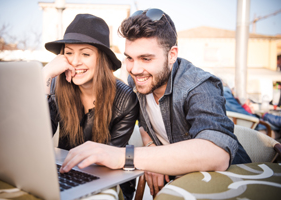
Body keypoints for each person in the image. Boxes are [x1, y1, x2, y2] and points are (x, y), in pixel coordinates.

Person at [59, 9, 251, 198]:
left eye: (146, 58)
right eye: (129, 58)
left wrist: (124, 157)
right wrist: (154, 154)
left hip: (233, 184)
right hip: (182, 185)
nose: (135, 69)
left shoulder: (199, 86)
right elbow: (144, 123)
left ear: (172, 54)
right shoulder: (140, 80)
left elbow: (216, 154)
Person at [42, 14, 139, 200]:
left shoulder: (126, 99)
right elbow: (36, 140)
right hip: (65, 174)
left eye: (85, 54)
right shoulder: (55, 87)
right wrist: (44, 77)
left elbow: (110, 159)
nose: (75, 62)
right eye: (69, 53)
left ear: (101, 59)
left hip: (109, 181)